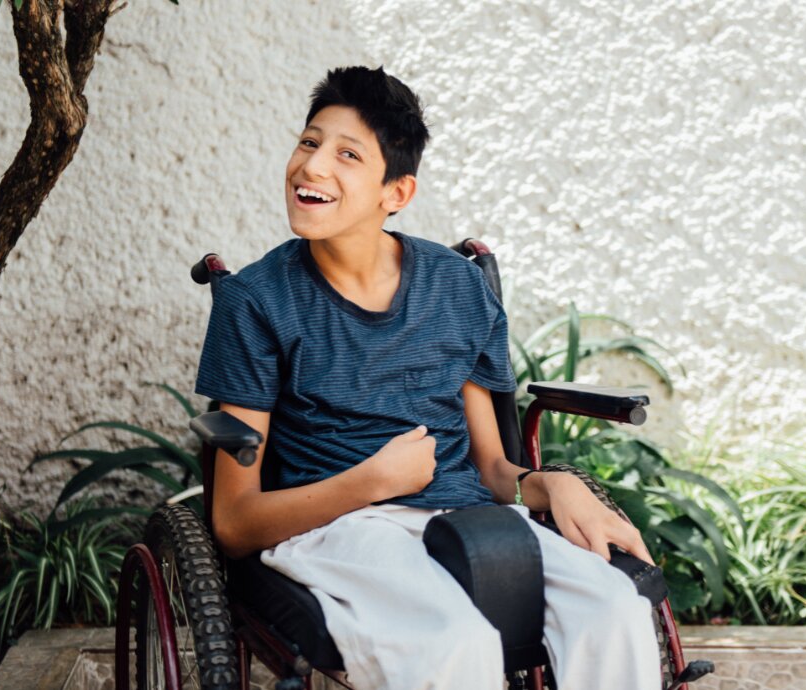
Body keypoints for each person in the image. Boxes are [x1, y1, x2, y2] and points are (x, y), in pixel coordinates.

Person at [195, 65, 661, 690]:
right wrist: (368, 483)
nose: (312, 167)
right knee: (451, 642)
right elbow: (233, 520)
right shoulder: (255, 302)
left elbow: (494, 472)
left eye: (347, 154)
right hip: (334, 531)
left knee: (611, 610)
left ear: (397, 192)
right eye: (309, 142)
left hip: (468, 519)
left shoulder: (457, 286)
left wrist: (554, 487)